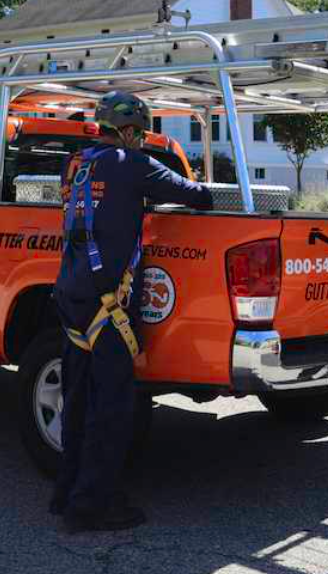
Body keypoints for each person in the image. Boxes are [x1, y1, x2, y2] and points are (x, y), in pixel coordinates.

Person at [51, 91, 213, 533]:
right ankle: (93, 506)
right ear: (126, 131)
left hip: (71, 294)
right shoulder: (133, 164)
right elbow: (195, 195)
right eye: (139, 133)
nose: (141, 141)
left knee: (78, 399)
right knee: (111, 408)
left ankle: (66, 490)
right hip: (108, 302)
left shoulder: (75, 164)